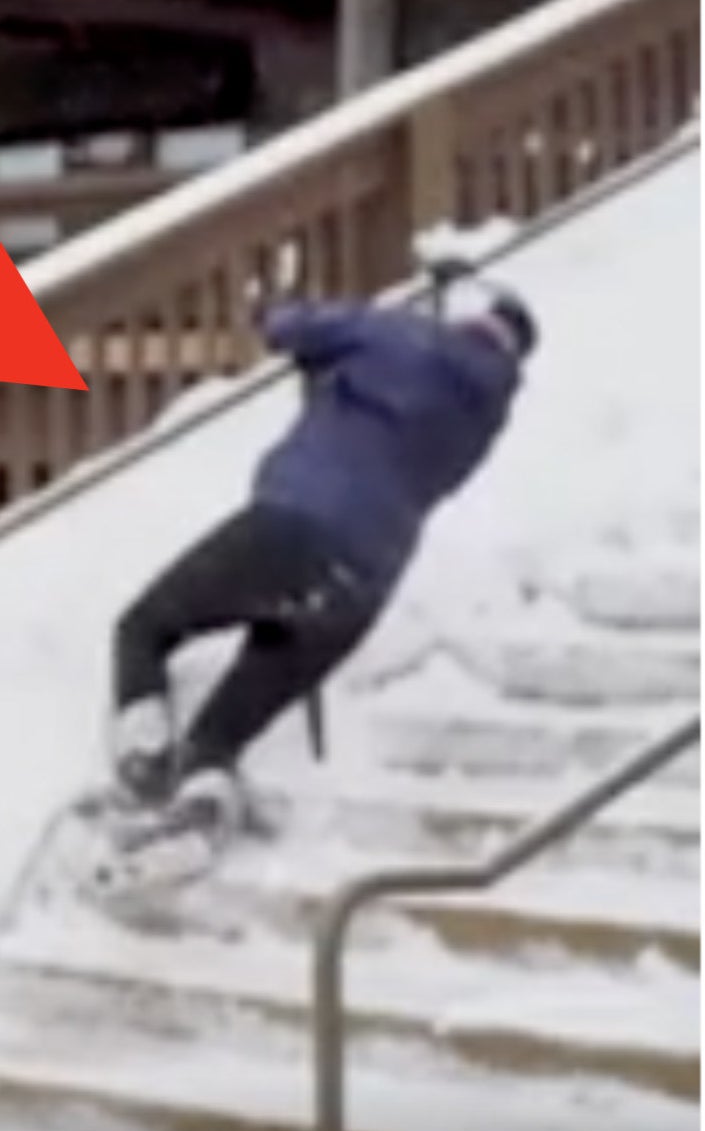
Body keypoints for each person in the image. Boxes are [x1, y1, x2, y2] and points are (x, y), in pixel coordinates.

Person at [108, 272, 536, 840]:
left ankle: (144, 769)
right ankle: (201, 795)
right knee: (223, 730)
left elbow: (293, 329)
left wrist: (271, 312)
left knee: (143, 628)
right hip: (365, 580)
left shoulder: (396, 333)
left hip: (294, 526)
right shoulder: (484, 416)